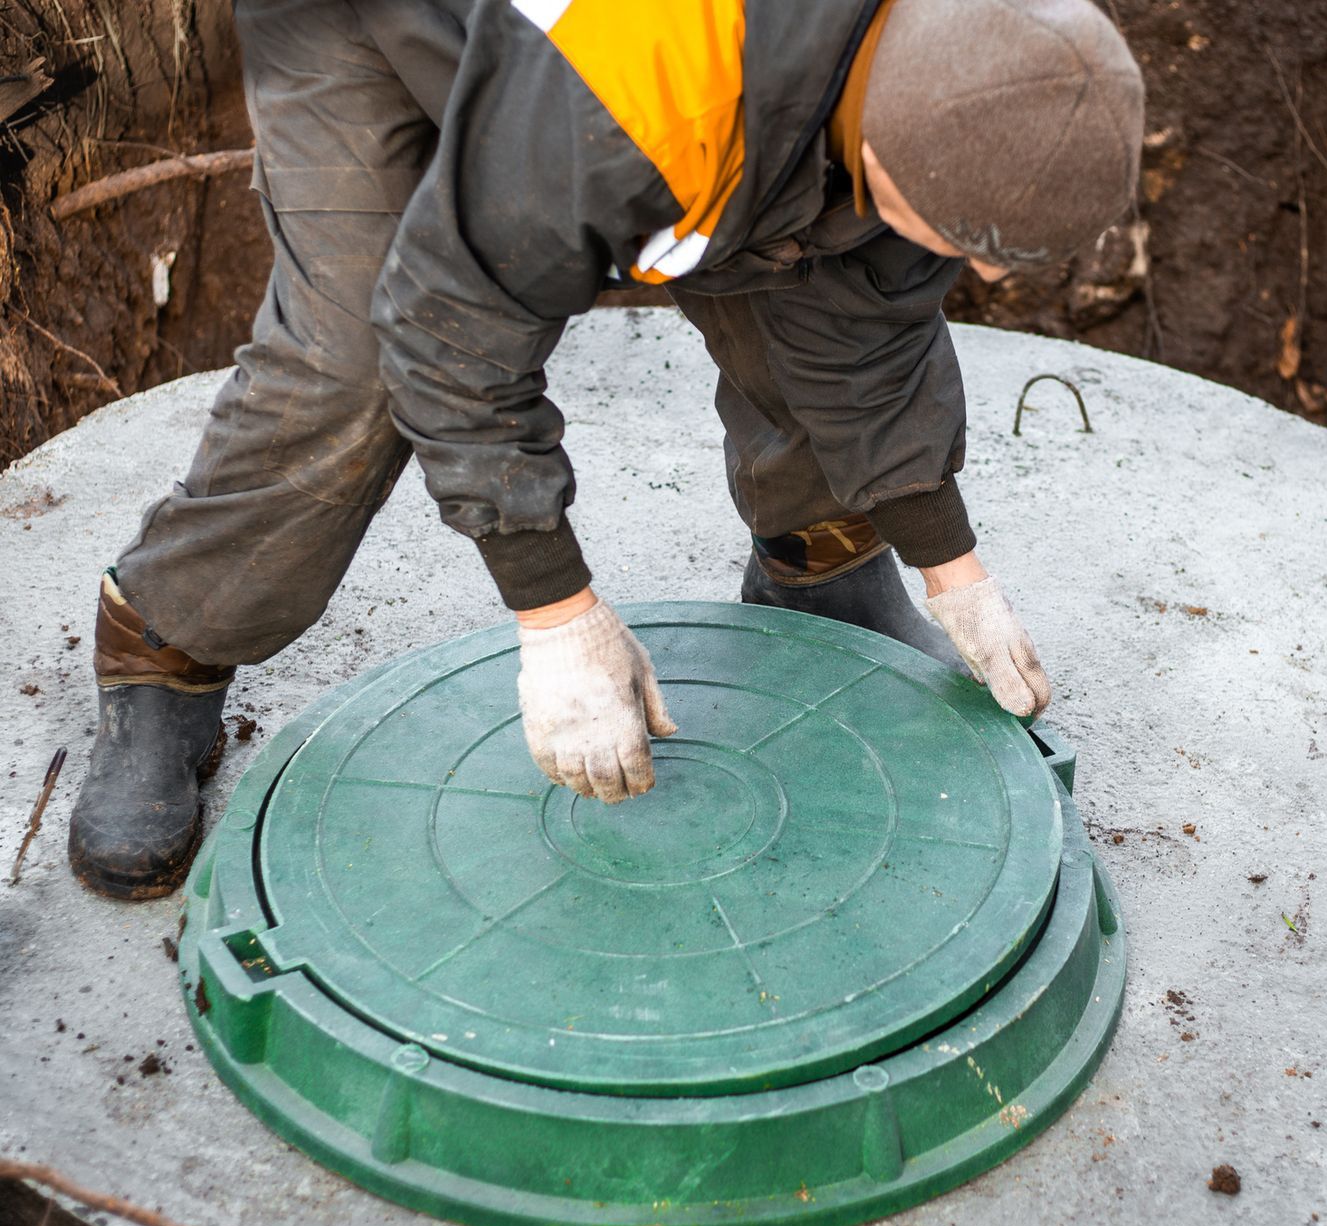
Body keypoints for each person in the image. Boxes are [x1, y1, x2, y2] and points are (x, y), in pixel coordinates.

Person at [67, 0, 1145, 900]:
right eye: (961, 239)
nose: (981, 277)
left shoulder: (976, 47)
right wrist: (559, 616)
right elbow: (452, 327)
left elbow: (868, 312)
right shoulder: (651, 101)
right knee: (351, 368)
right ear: (876, 124)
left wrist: (949, 560)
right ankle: (165, 644)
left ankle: (823, 564)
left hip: (651, 90)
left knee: (818, 250)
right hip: (381, 32)